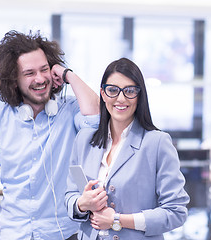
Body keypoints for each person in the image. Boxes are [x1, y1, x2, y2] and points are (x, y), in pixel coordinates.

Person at [0, 30, 100, 240]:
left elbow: (96, 115)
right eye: (29, 73)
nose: (40, 78)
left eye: (44, 70)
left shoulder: (69, 111)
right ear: (14, 80)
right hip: (14, 234)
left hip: (64, 233)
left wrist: (67, 74)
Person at [65, 58, 189, 240]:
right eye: (113, 90)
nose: (121, 98)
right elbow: (69, 196)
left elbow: (176, 212)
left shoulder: (157, 143)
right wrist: (82, 204)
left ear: (139, 96)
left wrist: (117, 220)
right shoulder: (84, 139)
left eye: (129, 91)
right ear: (103, 94)